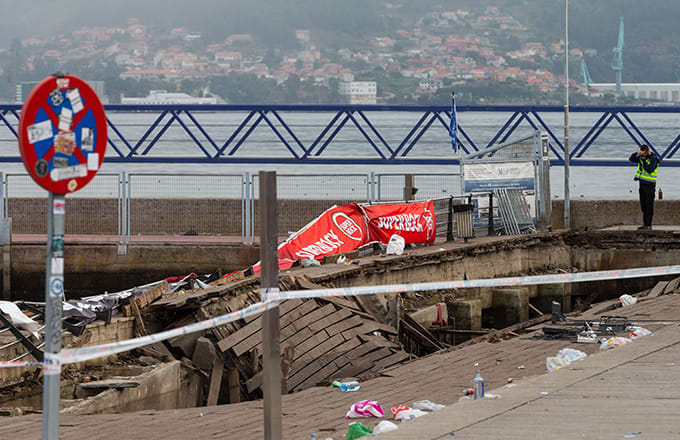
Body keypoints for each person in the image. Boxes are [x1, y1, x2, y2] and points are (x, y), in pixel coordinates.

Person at [629, 144, 659, 230]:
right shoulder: (641, 157)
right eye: (642, 152)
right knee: (643, 205)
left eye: (645, 152)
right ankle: (645, 224)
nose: (643, 154)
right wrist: (636, 153)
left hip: (650, 185)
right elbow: (631, 159)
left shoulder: (654, 158)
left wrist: (645, 161)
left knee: (649, 205)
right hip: (642, 184)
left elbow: (650, 169)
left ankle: (648, 225)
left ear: (648, 151)